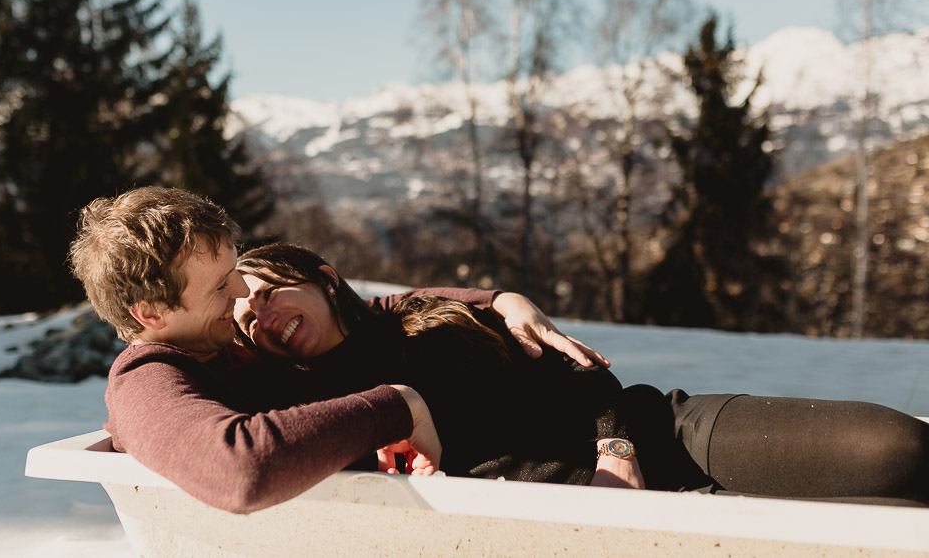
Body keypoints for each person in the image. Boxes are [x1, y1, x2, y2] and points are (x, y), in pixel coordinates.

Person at [235, 242, 929, 506]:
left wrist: (617, 451)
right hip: (572, 522)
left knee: (897, 451)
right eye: (246, 321)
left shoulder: (429, 316)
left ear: (324, 278)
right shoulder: (316, 409)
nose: (262, 316)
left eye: (269, 293)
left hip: (662, 437)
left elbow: (581, 372)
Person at [68, 186, 606, 514]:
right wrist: (397, 404)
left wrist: (500, 300)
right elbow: (242, 470)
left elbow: (372, 308)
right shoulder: (147, 380)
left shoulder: (217, 340)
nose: (239, 296)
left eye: (235, 274)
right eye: (219, 287)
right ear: (150, 314)